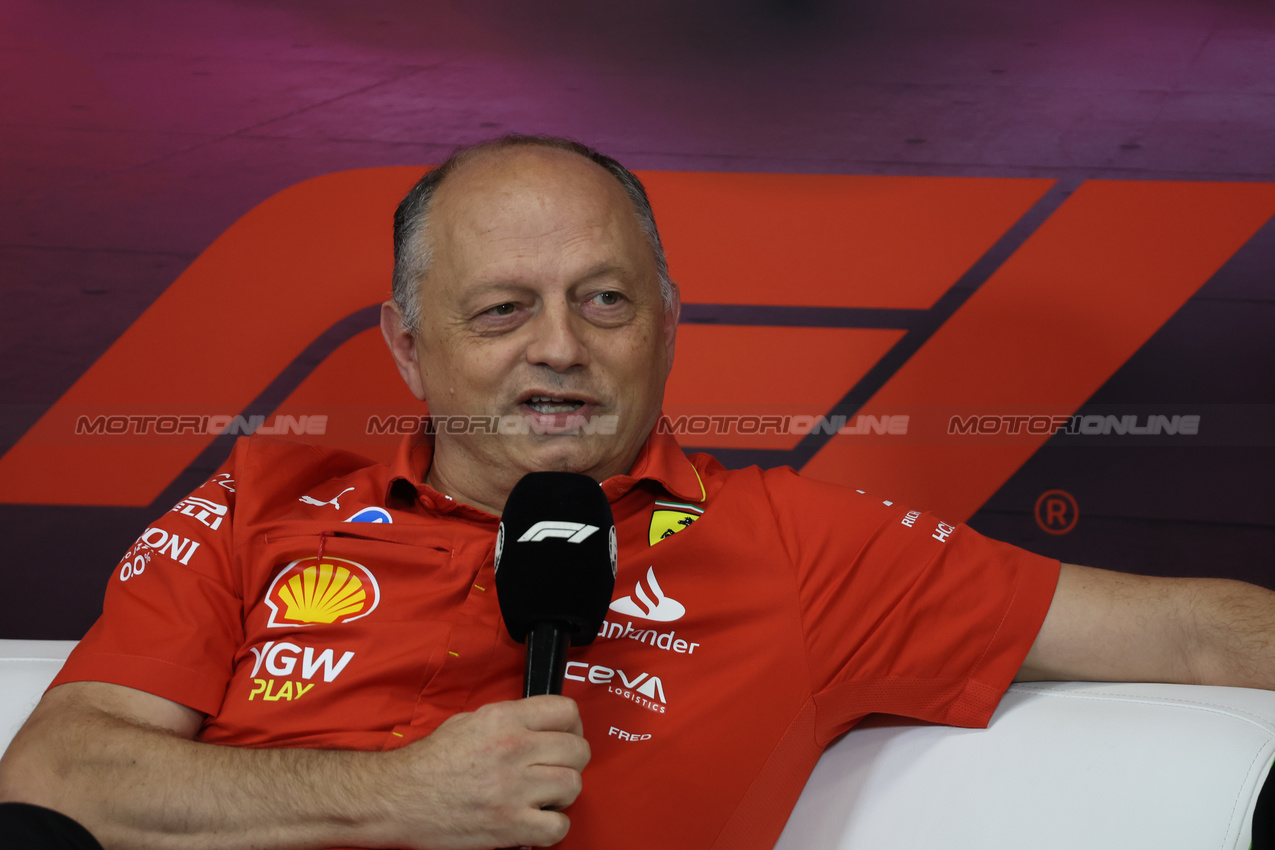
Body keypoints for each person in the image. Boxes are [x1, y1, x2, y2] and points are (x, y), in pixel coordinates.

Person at [1, 134, 1273, 850]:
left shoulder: (790, 542)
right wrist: (402, 794)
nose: (559, 346)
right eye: (502, 309)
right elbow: (58, 781)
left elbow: (1197, 632)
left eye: (604, 300)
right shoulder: (265, 503)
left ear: (668, 325)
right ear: (406, 343)